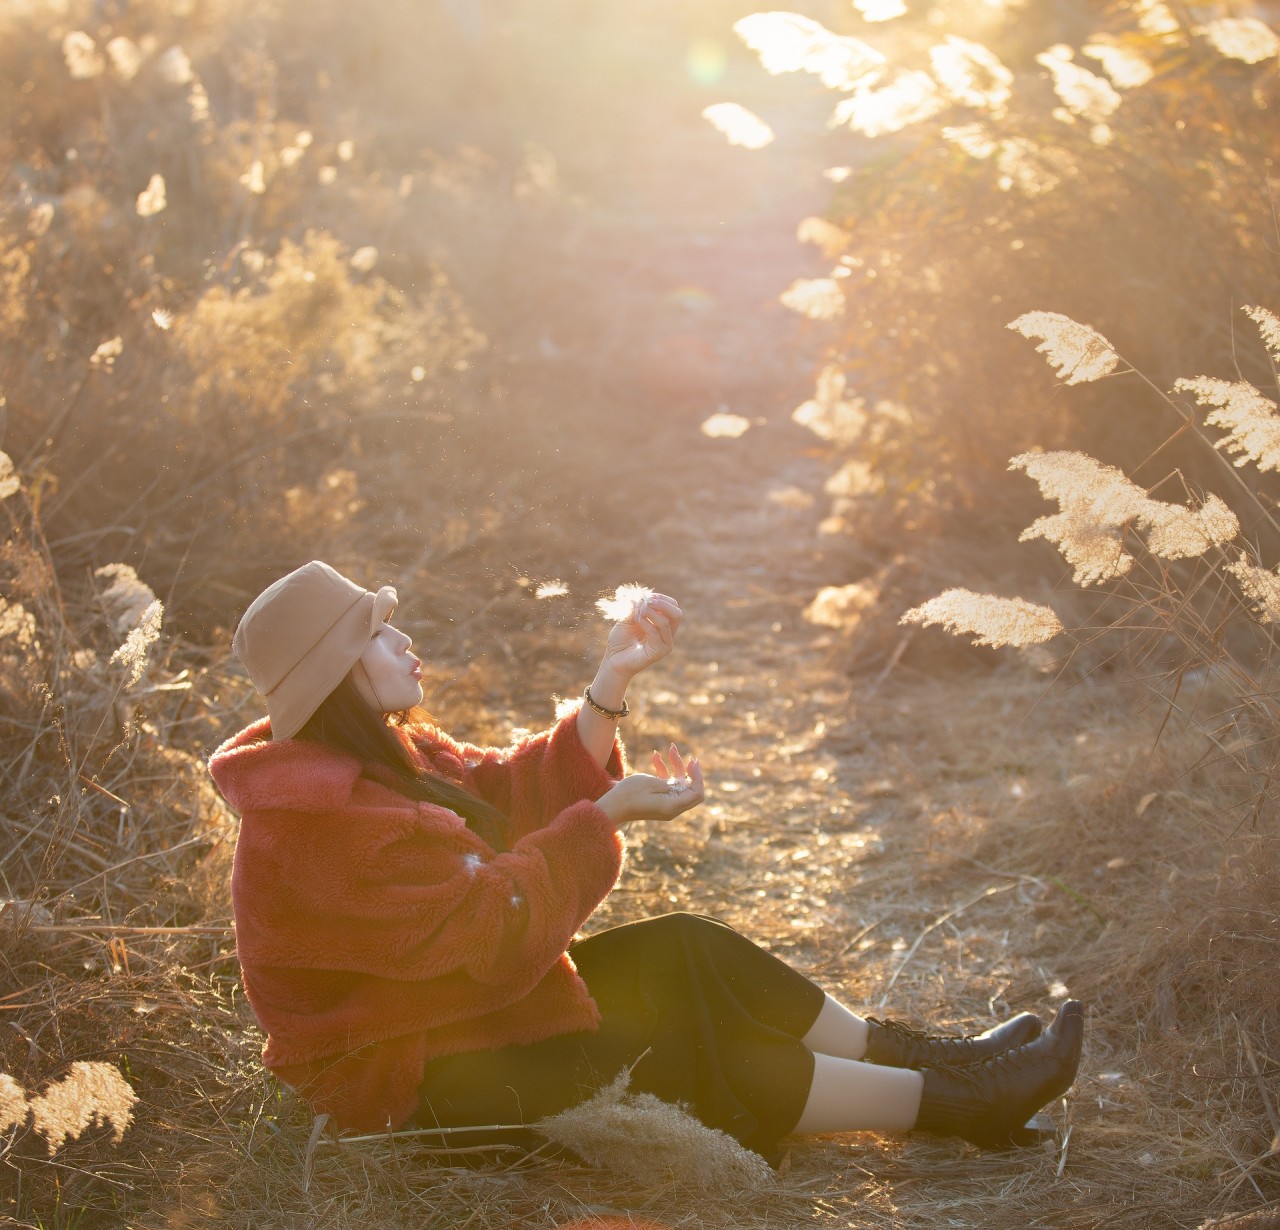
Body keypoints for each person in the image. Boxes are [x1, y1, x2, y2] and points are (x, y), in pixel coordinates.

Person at [208, 560, 1083, 1163]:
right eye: (378, 632)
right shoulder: (313, 826)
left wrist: (610, 685)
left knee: (683, 947)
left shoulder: (387, 757)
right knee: (680, 1036)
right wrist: (604, 817)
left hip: (459, 1018)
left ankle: (946, 1065)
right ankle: (968, 1105)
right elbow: (488, 932)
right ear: (334, 673)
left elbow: (508, 793)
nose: (403, 642)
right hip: (408, 1082)